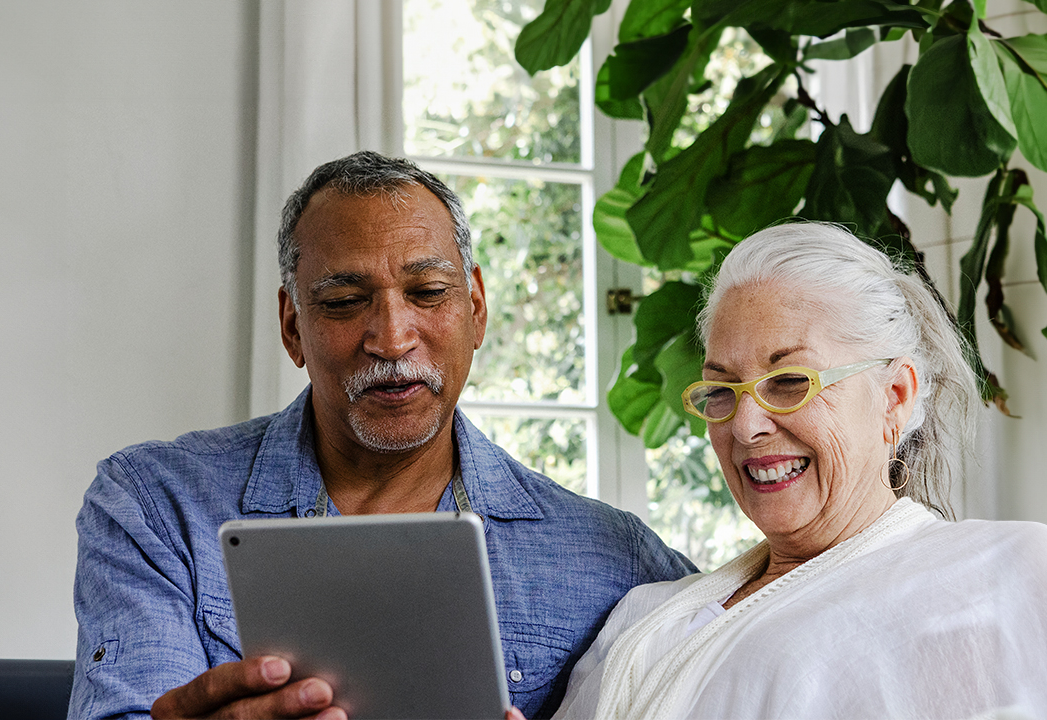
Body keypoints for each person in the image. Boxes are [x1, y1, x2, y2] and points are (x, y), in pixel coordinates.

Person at [68, 151, 695, 720]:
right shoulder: (153, 506)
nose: (393, 339)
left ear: (476, 308)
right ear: (292, 328)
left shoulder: (614, 557)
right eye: (343, 301)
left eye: (427, 292)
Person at [545, 222, 1047, 720]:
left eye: (790, 382)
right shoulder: (644, 612)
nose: (746, 426)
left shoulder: (1013, 572)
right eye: (722, 390)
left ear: (896, 396)